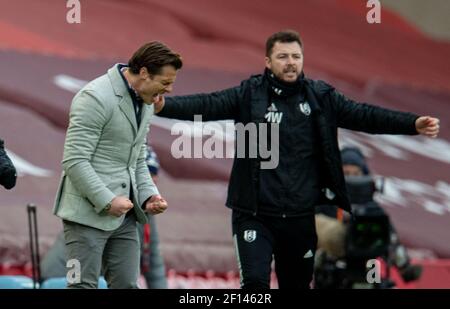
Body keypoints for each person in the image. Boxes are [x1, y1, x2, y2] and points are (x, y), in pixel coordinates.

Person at [153, 30, 440, 289]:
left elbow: (365, 115)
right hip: (254, 215)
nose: (290, 62)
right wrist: (164, 106)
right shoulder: (249, 94)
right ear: (268, 61)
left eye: (296, 56)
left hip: (301, 218)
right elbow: (207, 104)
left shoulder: (321, 97)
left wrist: (411, 123)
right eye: (282, 56)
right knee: (254, 287)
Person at [53, 42, 182, 288]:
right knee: (82, 286)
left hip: (126, 217)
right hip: (86, 216)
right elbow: (74, 160)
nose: (169, 89)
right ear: (144, 73)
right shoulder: (94, 97)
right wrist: (107, 200)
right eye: (165, 82)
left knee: (127, 285)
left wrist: (148, 195)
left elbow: (138, 155)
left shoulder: (146, 99)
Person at [42, 145, 168, 288]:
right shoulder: (108, 205)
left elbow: (153, 263)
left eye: (153, 178)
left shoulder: (144, 211)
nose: (150, 184)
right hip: (59, 278)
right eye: (146, 177)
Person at [315, 147, 422, 286]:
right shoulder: (324, 205)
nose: (351, 178)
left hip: (369, 268)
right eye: (346, 173)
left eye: (356, 173)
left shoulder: (372, 210)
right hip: (330, 270)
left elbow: (390, 239)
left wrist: (405, 269)